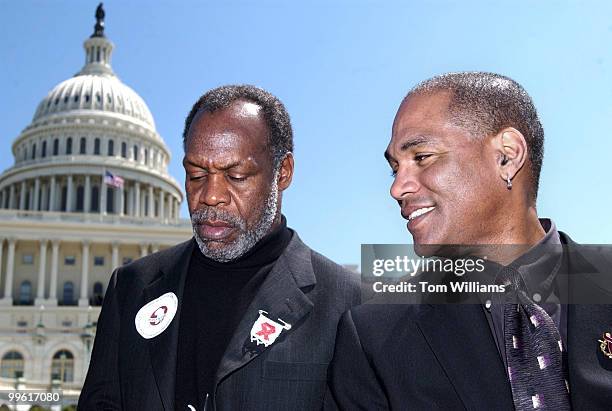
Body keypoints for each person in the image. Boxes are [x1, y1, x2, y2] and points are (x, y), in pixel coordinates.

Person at [326, 72, 612, 410]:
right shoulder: (374, 337)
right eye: (395, 169)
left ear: (507, 156)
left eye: (421, 157)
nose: (397, 188)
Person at [79, 85, 361, 410]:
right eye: (197, 174)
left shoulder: (348, 306)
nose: (211, 195)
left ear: (282, 173)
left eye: (237, 175)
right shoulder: (131, 288)